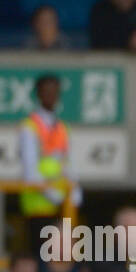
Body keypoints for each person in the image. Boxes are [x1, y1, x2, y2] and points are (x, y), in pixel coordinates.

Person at [18, 74, 80, 234]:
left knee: (62, 254)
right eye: (46, 91)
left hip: (61, 206)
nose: (51, 96)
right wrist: (54, 194)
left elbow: (66, 163)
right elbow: (30, 170)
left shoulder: (62, 127)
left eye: (55, 92)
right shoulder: (29, 126)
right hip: (38, 206)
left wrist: (74, 191)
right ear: (38, 94)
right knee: (41, 254)